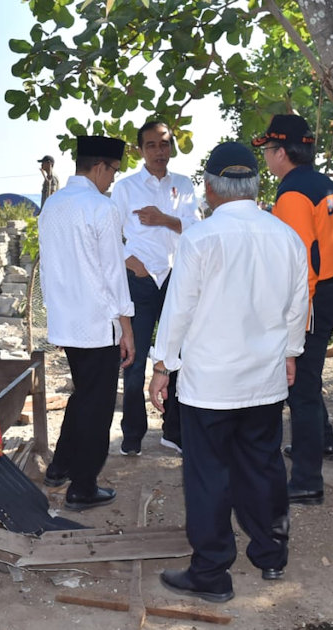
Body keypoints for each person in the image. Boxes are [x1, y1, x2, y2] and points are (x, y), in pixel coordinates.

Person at [148, 142, 309, 603]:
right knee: (263, 465)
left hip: (210, 385)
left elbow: (178, 311)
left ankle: (212, 573)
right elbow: (298, 307)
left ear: (211, 188)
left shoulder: (200, 238)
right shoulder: (286, 237)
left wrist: (162, 365)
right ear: (257, 186)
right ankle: (271, 555)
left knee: (208, 476)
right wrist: (291, 352)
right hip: (264, 379)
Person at [253, 114, 333, 506]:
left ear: (282, 152)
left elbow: (298, 263)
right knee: (308, 372)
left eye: (268, 151)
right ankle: (321, 440)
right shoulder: (323, 182)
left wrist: (294, 314)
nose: (266, 159)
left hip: (311, 294)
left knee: (302, 387)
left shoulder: (291, 193)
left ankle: (307, 479)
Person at [37, 135, 135, 511]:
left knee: (84, 395)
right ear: (100, 167)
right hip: (97, 322)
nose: (112, 180)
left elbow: (48, 270)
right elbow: (114, 274)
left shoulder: (53, 205)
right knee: (97, 405)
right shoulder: (101, 207)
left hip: (69, 321)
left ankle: (60, 465)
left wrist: (57, 320)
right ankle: (84, 485)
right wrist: (126, 328)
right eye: (112, 172)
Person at [107, 121, 200, 455]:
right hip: (141, 282)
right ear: (140, 150)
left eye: (165, 144)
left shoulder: (184, 185)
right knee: (133, 360)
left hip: (178, 279)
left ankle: (173, 431)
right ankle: (132, 436)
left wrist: (165, 219)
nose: (160, 151)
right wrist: (131, 263)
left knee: (180, 357)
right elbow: (109, 236)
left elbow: (195, 229)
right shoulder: (125, 188)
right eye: (152, 145)